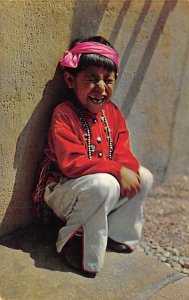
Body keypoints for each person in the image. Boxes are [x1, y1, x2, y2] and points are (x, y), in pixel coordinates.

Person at [33, 36, 153, 277]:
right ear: (70, 79)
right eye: (91, 79)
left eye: (108, 80)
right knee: (104, 183)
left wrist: (128, 170)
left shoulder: (113, 113)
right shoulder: (64, 114)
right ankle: (74, 245)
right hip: (64, 189)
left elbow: (122, 151)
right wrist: (117, 171)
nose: (101, 88)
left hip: (98, 189)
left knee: (144, 176)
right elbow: (71, 162)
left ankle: (118, 234)